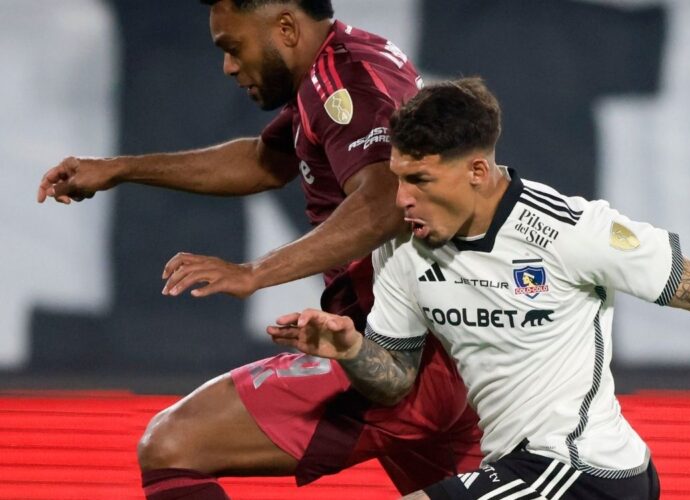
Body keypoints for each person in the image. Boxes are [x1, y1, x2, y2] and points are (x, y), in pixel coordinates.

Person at [268, 77, 690, 500]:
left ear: (477, 170)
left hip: (584, 470)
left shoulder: (570, 231)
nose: (402, 198)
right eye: (399, 177)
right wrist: (352, 349)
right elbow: (393, 382)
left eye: (421, 180)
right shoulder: (404, 250)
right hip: (519, 470)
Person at [36, 1, 483, 498]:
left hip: (395, 355)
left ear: (286, 28)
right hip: (447, 346)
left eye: (234, 47)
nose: (229, 66)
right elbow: (264, 162)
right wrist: (118, 169)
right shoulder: (340, 67)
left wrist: (256, 272)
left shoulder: (342, 80)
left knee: (172, 444)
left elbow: (384, 200)